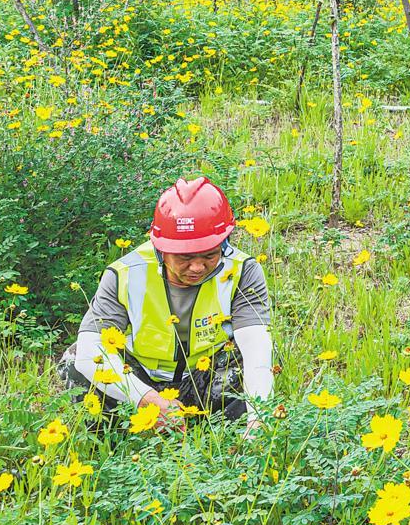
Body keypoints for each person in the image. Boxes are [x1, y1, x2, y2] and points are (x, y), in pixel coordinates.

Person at [57, 176, 273, 428]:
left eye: (209, 255)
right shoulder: (125, 273)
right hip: (140, 380)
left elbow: (256, 347)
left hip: (203, 379)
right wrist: (145, 399)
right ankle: (109, 441)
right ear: (160, 247)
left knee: (258, 355)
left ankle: (231, 438)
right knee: (75, 360)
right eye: (185, 257)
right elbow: (89, 351)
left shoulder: (243, 270)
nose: (197, 266)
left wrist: (259, 419)